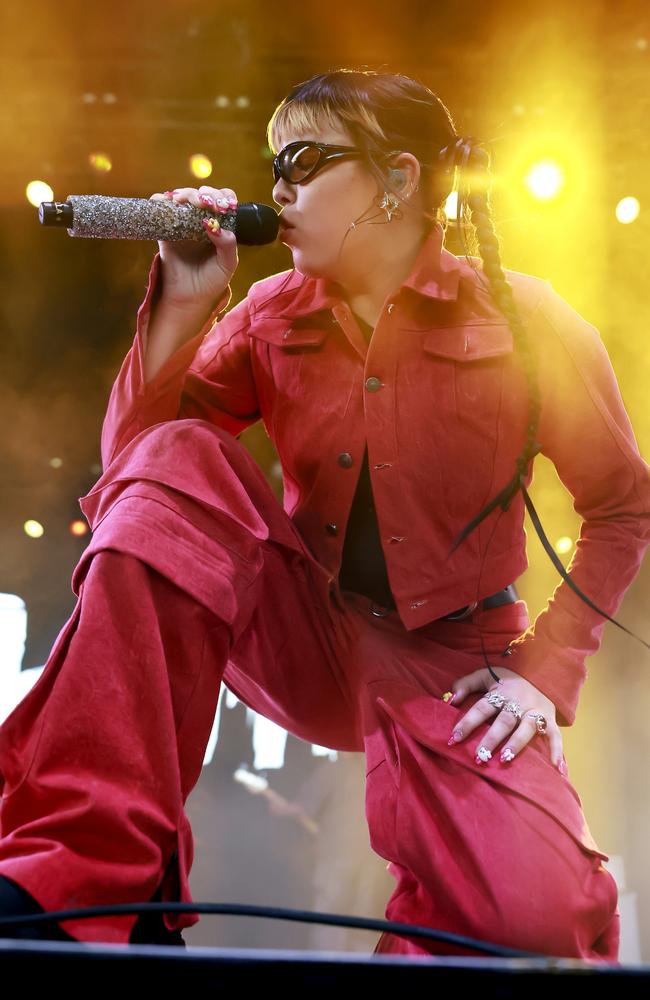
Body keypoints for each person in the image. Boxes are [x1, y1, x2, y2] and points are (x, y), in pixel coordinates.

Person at [0, 67, 648, 959]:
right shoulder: (268, 316)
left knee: (532, 921)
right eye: (273, 167)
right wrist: (187, 303)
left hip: (460, 670)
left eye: (301, 160)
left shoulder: (528, 321)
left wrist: (545, 669)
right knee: (181, 454)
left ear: (398, 179)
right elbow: (137, 481)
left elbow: (623, 506)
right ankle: (88, 871)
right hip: (308, 632)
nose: (276, 189)